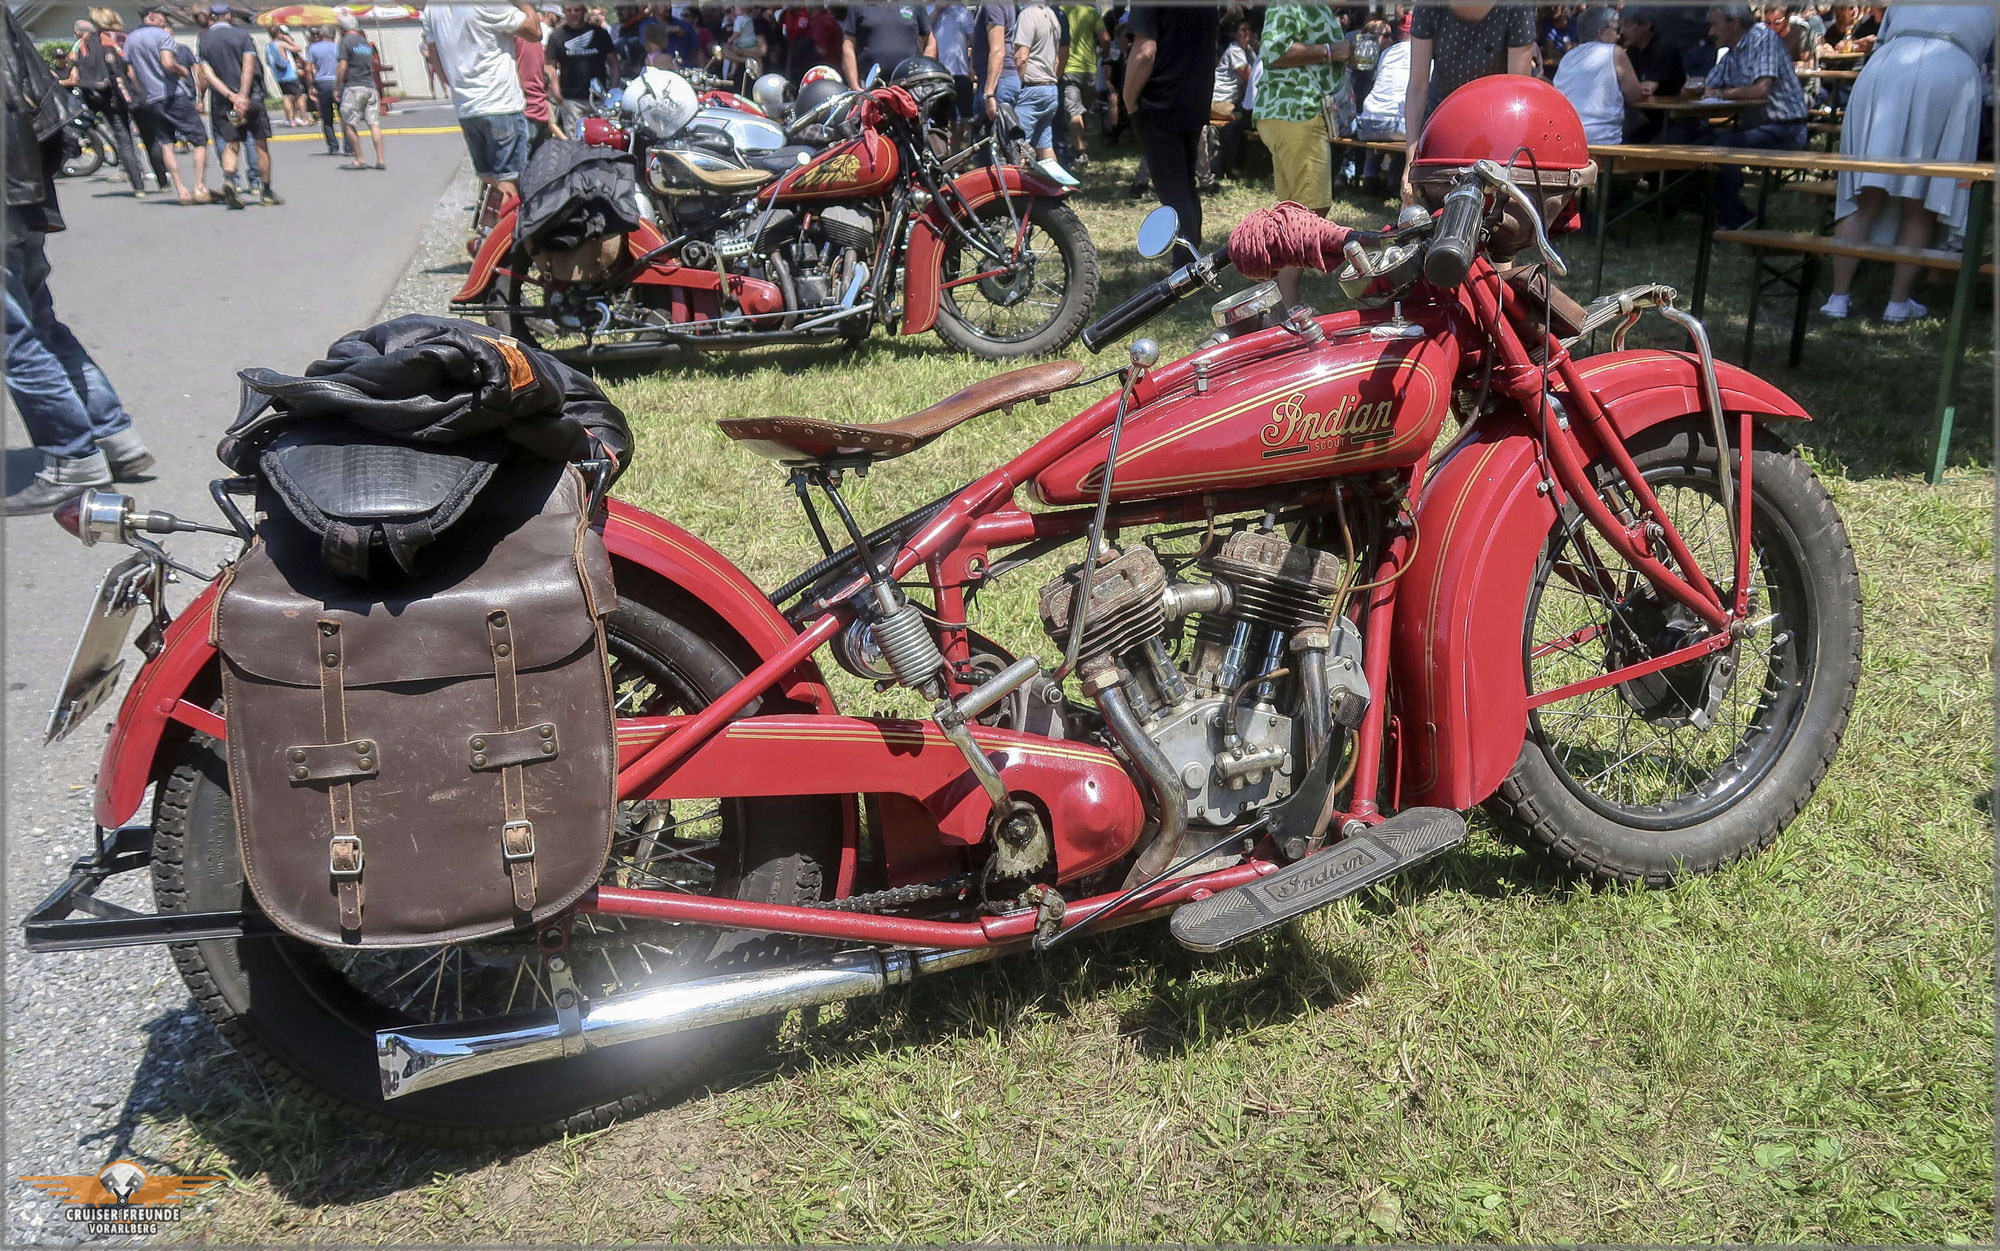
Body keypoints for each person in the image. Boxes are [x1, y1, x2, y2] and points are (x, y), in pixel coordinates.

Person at [3, 7, 155, 515]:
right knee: (40, 324)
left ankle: (73, 458)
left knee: (14, 338)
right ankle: (115, 438)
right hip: (20, 184)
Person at [1820, 3, 1992, 323]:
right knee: (1922, 195)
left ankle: (1838, 297)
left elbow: (1884, 36)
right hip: (1949, 72)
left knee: (1866, 194)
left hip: (1886, 68)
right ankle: (1897, 303)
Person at [1255, 1, 1347, 306]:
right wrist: (1330, 52)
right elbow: (1273, 50)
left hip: (1292, 114)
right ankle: (1288, 305)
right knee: (1310, 211)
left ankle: (1275, 291)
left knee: (1294, 211)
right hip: (1295, 112)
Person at [1400, 2, 1534, 201]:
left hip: (1494, 131)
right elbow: (1418, 87)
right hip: (1440, 128)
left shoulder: (1517, 7)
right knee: (1419, 216)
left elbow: (1517, 92)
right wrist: (1411, 163)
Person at [1692, 2, 1808, 230]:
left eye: (1715, 25)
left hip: (1786, 127)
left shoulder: (1764, 39)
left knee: (1722, 145)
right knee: (1697, 142)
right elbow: (1708, 87)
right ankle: (1723, 210)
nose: (1710, 32)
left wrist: (1720, 93)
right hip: (1757, 128)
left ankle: (1736, 218)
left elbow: (1760, 89)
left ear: (1734, 23)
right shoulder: (1733, 51)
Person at [1123, 3, 1217, 266]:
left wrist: (1128, 100)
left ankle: (1186, 269)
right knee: (1186, 186)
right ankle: (1194, 261)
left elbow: (1144, 52)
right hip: (1194, 100)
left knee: (1174, 193)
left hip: (1159, 103)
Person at [423, 1, 543, 204]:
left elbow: (434, 56)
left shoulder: (432, 8)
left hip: (467, 106)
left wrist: (454, 85)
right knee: (509, 182)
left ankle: (488, 232)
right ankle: (506, 234)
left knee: (489, 181)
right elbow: (534, 32)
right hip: (500, 103)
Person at [196, 4, 279, 207]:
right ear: (230, 16)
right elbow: (248, 66)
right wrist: (242, 95)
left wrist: (230, 96)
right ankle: (266, 191)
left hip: (225, 102)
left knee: (231, 143)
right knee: (260, 144)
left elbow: (207, 73)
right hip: (251, 98)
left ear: (212, 18)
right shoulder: (242, 36)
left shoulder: (204, 39)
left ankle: (230, 180)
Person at [125, 6, 210, 203]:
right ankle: (199, 186)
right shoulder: (162, 36)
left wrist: (144, 90)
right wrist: (182, 71)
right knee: (199, 138)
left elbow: (131, 73)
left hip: (152, 98)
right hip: (172, 94)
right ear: (152, 16)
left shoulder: (130, 39)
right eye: (163, 16)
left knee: (166, 142)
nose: (165, 20)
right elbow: (167, 63)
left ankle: (181, 189)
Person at [62, 18, 148, 196]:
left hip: (101, 98)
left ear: (79, 32)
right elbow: (124, 67)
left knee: (122, 138)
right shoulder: (111, 40)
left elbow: (75, 74)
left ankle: (138, 185)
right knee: (136, 135)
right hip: (121, 94)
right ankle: (160, 178)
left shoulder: (81, 46)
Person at [1553, 7, 1649, 145]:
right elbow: (1634, 95)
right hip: (1605, 141)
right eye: (1615, 29)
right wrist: (1642, 89)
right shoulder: (1615, 52)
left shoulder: (1568, 57)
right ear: (1601, 32)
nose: (1619, 35)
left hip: (1568, 141)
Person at [1012, 0, 1070, 178]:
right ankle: (1058, 189)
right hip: (1050, 88)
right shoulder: (1052, 15)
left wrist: (1016, 87)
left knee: (1016, 147)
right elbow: (1058, 59)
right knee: (1045, 146)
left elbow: (1021, 57)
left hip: (1031, 89)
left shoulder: (1028, 14)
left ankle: (1017, 195)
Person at [1354, 17, 1410, 192]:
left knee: (1377, 114)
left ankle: (1370, 177)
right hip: (1394, 127)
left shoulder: (1387, 53)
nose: (1390, 39)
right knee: (1416, 131)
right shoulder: (1425, 56)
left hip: (1365, 125)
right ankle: (1394, 181)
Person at [547, 3, 619, 132]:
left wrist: (613, 88)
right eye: (569, 10)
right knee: (575, 142)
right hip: (571, 100)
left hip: (599, 99)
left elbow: (613, 62)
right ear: (564, 12)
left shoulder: (600, 34)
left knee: (602, 138)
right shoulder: (557, 36)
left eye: (577, 10)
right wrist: (556, 92)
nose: (573, 13)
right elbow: (550, 66)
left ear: (584, 11)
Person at [334, 14, 385, 170]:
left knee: (348, 122)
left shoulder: (345, 42)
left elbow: (342, 66)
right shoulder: (363, 42)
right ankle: (380, 159)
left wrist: (337, 87)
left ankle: (359, 158)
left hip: (354, 86)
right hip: (370, 85)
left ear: (342, 27)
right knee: (373, 123)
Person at [844, 3, 935, 90]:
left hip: (909, 87)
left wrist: (923, 75)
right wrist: (854, 86)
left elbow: (930, 43)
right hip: (871, 89)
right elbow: (848, 46)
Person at [1207, 16, 1252, 185]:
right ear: (1235, 34)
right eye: (1243, 30)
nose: (1247, 33)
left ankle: (1231, 165)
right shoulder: (1235, 51)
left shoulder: (1247, 51)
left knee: (1242, 121)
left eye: (1249, 30)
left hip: (1231, 102)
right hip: (1218, 102)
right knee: (1241, 122)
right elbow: (1250, 74)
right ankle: (1227, 167)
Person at [1059, 2, 1103, 166]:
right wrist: (1105, 54)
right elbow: (1105, 37)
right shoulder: (1092, 12)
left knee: (1074, 111)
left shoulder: (1061, 12)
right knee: (1079, 109)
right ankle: (1078, 145)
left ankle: (1080, 152)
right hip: (1089, 69)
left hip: (1069, 68)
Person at [306, 26, 344, 155]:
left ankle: (333, 146)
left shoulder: (313, 48)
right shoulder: (338, 47)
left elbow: (309, 68)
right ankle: (349, 146)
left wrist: (310, 86)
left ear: (321, 34)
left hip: (322, 82)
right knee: (344, 116)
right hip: (337, 82)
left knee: (327, 118)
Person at [267, 24, 308, 127]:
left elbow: (267, 61)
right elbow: (298, 48)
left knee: (286, 97)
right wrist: (288, 39)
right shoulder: (280, 44)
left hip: (279, 76)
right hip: (289, 74)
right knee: (299, 97)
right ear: (278, 33)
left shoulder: (268, 46)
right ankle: (304, 119)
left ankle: (291, 120)